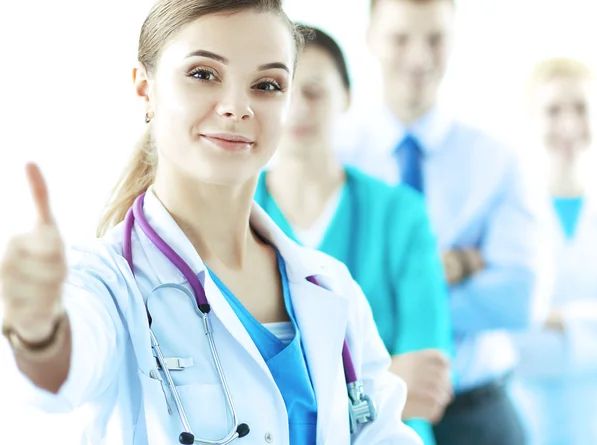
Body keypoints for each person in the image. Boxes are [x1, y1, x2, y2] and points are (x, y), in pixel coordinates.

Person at [0, 1, 423, 444]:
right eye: (203, 74)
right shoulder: (109, 281)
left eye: (267, 84)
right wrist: (38, 331)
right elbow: (57, 373)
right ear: (146, 89)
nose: (237, 107)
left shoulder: (331, 289)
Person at [335, 0, 550, 444]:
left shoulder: (496, 159)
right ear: (371, 38)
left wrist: (387, 301)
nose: (418, 57)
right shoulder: (335, 157)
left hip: (478, 410)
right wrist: (457, 266)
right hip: (370, 409)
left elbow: (520, 295)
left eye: (435, 39)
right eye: (400, 38)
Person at [255, 25, 453, 445]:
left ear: (346, 97)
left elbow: (427, 385)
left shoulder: (400, 215)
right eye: (279, 90)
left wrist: (284, 393)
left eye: (314, 91)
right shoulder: (236, 213)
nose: (297, 109)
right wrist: (380, 380)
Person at [510, 58, 597, 445]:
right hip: (526, 419)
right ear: (532, 120)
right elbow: (512, 343)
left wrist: (556, 319)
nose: (568, 124)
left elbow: (526, 324)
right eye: (553, 110)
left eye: (580, 108)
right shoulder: (511, 217)